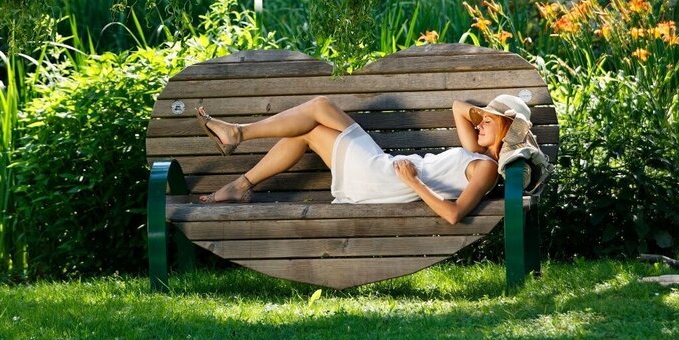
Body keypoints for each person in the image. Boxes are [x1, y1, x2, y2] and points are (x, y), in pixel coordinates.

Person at [195, 93, 543, 224]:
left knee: (320, 107)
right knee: (307, 131)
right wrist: (494, 122)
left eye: (488, 122)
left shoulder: (485, 169)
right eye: (481, 120)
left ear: (506, 131)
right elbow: (458, 107)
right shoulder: (477, 154)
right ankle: (241, 184)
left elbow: (453, 215)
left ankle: (237, 134)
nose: (478, 123)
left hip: (388, 177)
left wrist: (414, 182)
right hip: (385, 171)